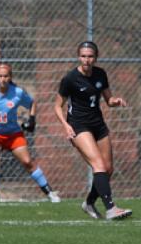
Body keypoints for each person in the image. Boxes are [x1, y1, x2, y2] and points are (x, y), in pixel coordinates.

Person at [54, 41, 132, 220]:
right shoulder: (70, 79)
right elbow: (57, 106)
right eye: (83, 56)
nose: (86, 60)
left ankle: (89, 203)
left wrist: (115, 101)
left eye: (90, 56)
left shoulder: (100, 74)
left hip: (98, 124)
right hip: (79, 126)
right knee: (98, 166)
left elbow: (108, 99)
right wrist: (66, 126)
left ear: (96, 58)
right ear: (78, 57)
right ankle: (111, 208)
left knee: (108, 169)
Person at [0, 62, 60, 203]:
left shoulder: (17, 92)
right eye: (0, 76)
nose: (3, 79)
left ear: (10, 77)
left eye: (6, 76)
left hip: (12, 133)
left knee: (28, 162)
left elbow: (32, 103)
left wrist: (32, 119)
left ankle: (50, 193)